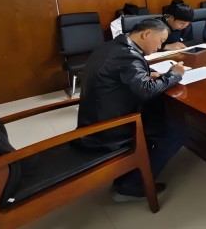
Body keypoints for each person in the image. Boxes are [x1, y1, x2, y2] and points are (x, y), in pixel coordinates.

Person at [76, 19, 186, 201]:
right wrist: (175, 75)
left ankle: (127, 176)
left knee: (160, 116)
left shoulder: (112, 46)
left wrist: (146, 74)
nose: (160, 47)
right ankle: (133, 185)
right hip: (109, 128)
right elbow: (146, 90)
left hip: (95, 117)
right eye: (160, 41)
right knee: (175, 132)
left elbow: (121, 73)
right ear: (146, 34)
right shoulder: (128, 55)